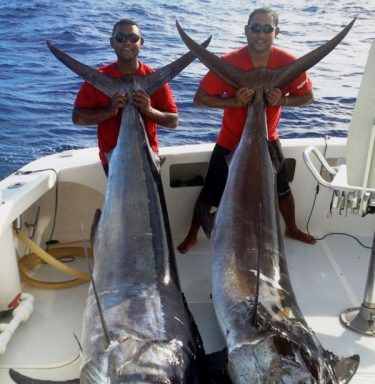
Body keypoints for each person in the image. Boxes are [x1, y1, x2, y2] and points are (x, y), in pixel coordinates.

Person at [177, 7, 316, 253]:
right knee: (210, 193)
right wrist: (234, 102)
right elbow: (200, 99)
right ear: (246, 30)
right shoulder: (229, 62)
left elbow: (307, 97)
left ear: (277, 32)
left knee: (283, 190)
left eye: (267, 29)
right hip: (230, 141)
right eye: (255, 28)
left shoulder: (289, 63)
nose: (260, 34)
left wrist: (282, 100)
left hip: (268, 139)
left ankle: (291, 227)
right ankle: (191, 235)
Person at [73, 18, 178, 176]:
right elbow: (77, 118)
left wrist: (148, 110)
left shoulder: (154, 79)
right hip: (113, 160)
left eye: (133, 38)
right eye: (120, 38)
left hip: (148, 160)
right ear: (112, 42)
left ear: (141, 42)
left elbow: (173, 121)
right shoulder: (97, 79)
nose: (127, 42)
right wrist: (109, 111)